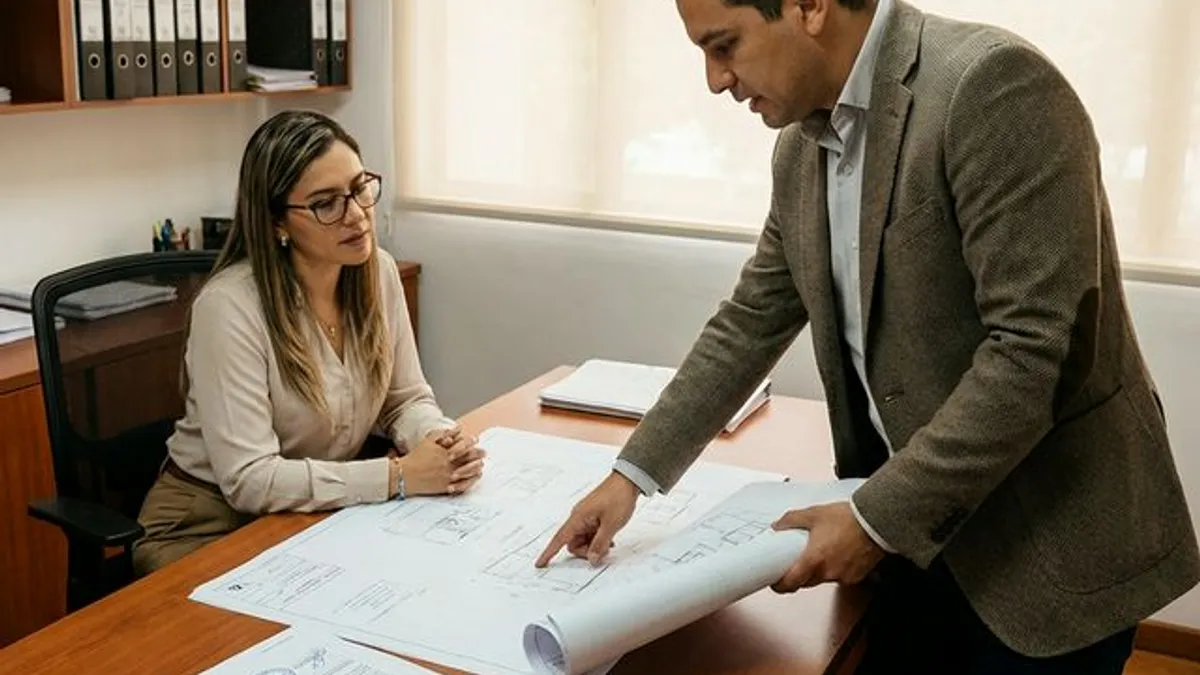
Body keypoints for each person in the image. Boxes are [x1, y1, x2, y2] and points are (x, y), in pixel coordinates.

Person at [535, 0, 1200, 672]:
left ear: (810, 7)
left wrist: (875, 518)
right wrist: (631, 476)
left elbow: (1038, 350)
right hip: (912, 540)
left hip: (1042, 550)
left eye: (725, 45)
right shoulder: (800, 148)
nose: (714, 80)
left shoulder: (990, 86)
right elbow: (751, 319)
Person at [133, 110, 485, 575]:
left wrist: (436, 442)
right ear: (278, 222)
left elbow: (404, 399)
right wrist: (398, 476)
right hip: (207, 526)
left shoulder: (377, 273)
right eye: (326, 204)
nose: (356, 215)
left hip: (311, 514)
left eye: (360, 189)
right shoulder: (230, 307)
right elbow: (250, 480)